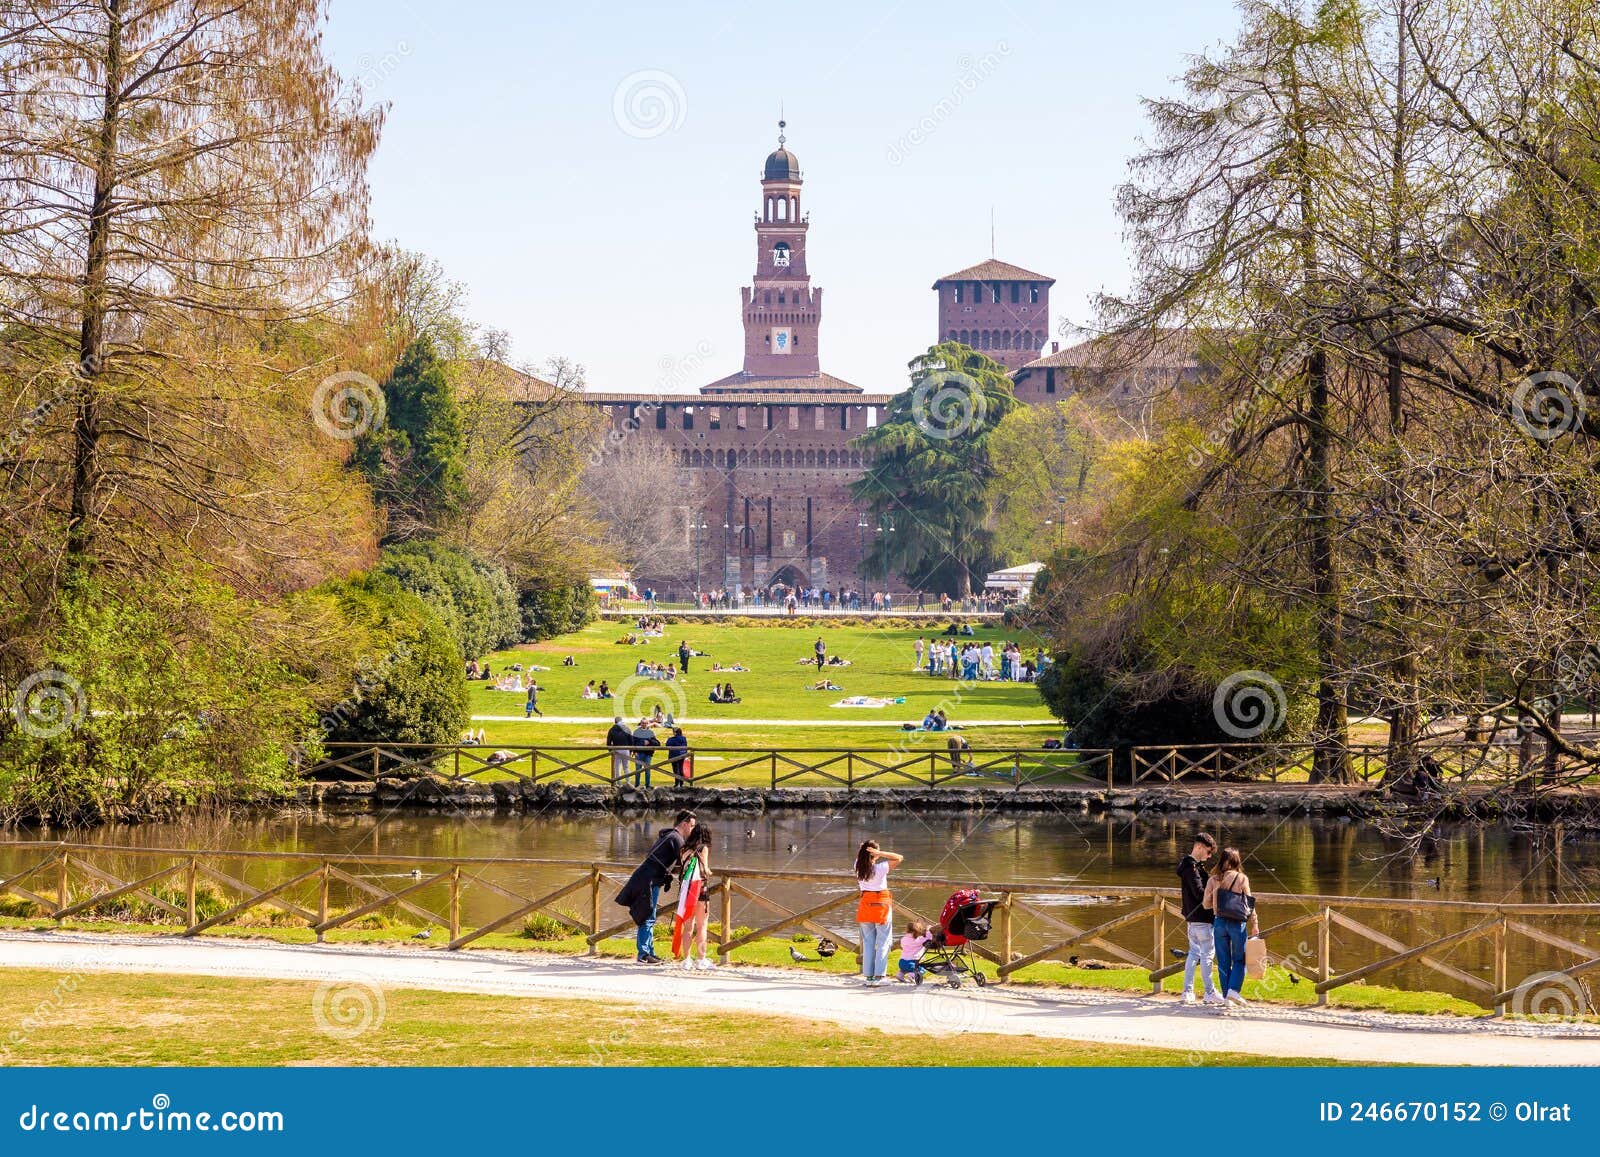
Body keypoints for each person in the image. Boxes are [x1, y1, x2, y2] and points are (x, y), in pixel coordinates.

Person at [615, 810, 696, 964]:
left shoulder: (669, 836)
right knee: (647, 916)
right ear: (684, 824)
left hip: (647, 878)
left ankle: (649, 952)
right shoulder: (675, 838)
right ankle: (644, 955)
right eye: (691, 826)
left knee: (649, 916)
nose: (692, 830)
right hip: (649, 881)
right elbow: (685, 859)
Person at [1204, 847, 1259, 1007]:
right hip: (1237, 923)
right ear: (1237, 861)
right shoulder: (1242, 878)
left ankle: (1227, 996)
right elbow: (1249, 905)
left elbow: (1205, 904)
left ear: (1222, 860)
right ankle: (1234, 990)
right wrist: (1255, 923)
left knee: (1222, 961)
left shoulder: (1213, 879)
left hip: (1219, 922)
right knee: (1240, 959)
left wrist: (1216, 900)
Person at [1177, 832, 1223, 1005]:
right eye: (1208, 852)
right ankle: (1209, 992)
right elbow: (1199, 893)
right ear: (1199, 847)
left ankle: (1187, 991)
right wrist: (1217, 891)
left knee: (1194, 954)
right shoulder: (1192, 868)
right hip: (1202, 918)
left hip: (1192, 918)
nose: (1209, 856)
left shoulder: (1188, 866)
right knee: (1207, 955)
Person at [854, 839, 903, 985]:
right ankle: (879, 977)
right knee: (883, 942)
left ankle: (868, 977)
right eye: (877, 852)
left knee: (868, 942)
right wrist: (880, 853)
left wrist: (865, 849)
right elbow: (899, 857)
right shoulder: (880, 868)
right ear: (874, 854)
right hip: (881, 906)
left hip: (865, 905)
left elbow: (861, 856)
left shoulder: (857, 865)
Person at [672, 823, 715, 969]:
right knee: (702, 925)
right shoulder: (703, 848)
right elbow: (705, 869)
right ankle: (701, 959)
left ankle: (687, 960)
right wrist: (709, 871)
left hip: (686, 890)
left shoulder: (683, 848)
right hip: (700, 889)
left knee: (688, 926)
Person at [897, 918, 932, 983]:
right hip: (912, 963)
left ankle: (900, 975)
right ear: (918, 931)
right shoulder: (919, 940)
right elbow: (929, 937)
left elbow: (902, 946)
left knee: (904, 970)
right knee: (922, 970)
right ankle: (912, 975)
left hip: (901, 962)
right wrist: (928, 930)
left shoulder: (903, 939)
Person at [631, 720, 659, 787]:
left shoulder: (650, 732)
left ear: (648, 724)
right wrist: (634, 752)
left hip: (648, 754)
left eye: (646, 723)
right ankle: (637, 785)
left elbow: (657, 743)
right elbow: (632, 743)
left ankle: (647, 786)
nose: (644, 724)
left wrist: (649, 741)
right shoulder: (636, 732)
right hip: (639, 753)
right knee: (638, 770)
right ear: (640, 724)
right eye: (643, 723)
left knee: (647, 770)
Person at [605, 716, 633, 782]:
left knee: (617, 768)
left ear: (615, 722)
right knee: (626, 767)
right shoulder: (627, 728)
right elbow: (631, 740)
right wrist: (631, 750)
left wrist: (611, 751)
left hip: (616, 749)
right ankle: (628, 782)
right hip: (626, 749)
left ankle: (619, 783)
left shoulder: (612, 729)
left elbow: (608, 742)